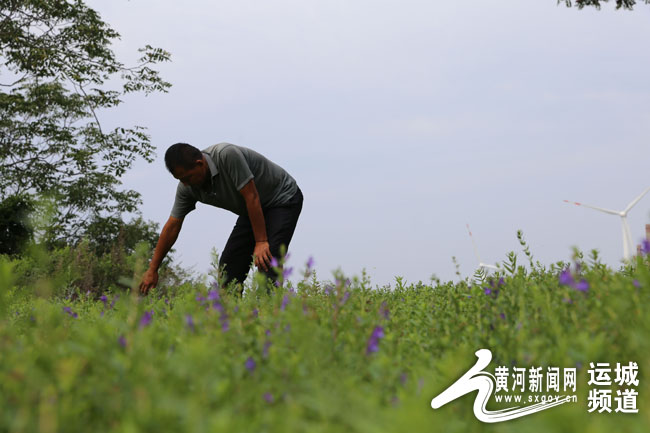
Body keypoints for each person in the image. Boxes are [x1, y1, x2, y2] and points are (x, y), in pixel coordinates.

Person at [138, 142, 302, 295]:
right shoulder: (186, 188)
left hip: (281, 198)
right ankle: (231, 319)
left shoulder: (227, 156)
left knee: (268, 262)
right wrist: (153, 269)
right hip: (252, 209)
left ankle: (271, 318)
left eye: (187, 178)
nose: (185, 184)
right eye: (180, 180)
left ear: (200, 164)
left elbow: (252, 197)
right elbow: (172, 226)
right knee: (227, 271)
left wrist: (260, 242)